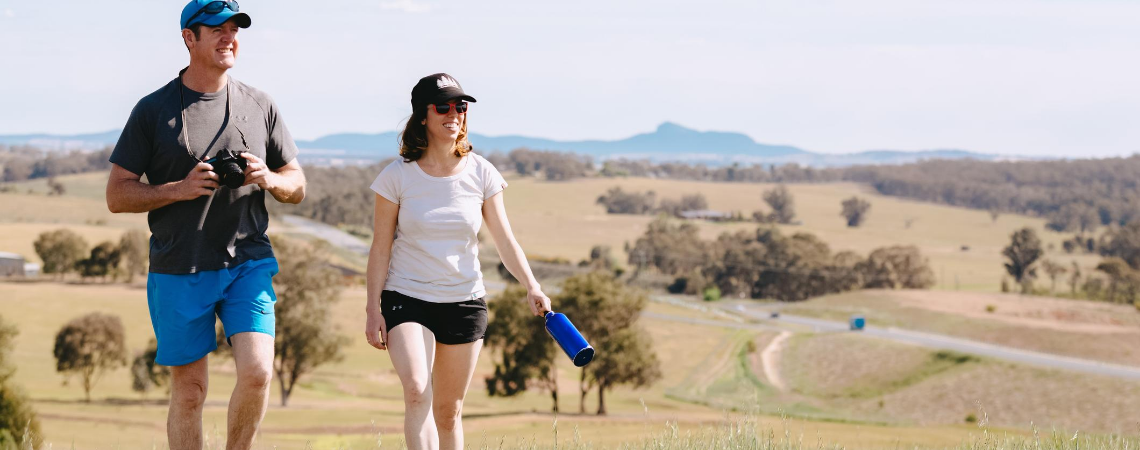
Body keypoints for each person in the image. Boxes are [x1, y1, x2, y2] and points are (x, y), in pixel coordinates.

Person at [104, 2, 306, 449]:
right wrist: (177, 188)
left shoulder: (260, 104)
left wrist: (269, 178)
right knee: (191, 391)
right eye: (216, 28)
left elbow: (297, 183)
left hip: (247, 261)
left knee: (257, 373)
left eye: (234, 28)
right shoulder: (153, 110)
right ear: (188, 38)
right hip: (179, 264)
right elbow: (117, 193)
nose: (228, 36)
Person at [365, 73, 551, 450]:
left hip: (464, 301)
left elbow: (504, 239)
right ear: (423, 116)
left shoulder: (482, 172)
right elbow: (380, 248)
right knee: (418, 391)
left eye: (461, 106)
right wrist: (372, 309)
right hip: (407, 297)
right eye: (444, 107)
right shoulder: (396, 177)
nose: (455, 114)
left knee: (448, 412)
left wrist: (532, 286)